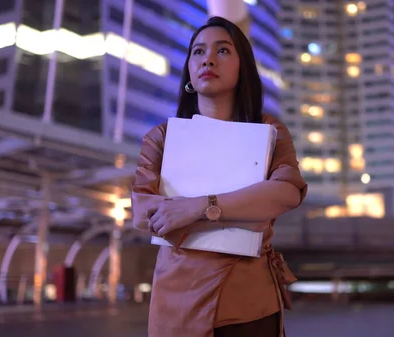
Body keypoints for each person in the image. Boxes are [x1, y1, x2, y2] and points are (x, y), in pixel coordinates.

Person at [131, 16, 308, 337]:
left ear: (243, 67)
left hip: (250, 300)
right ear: (188, 69)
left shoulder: (269, 132)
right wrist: (246, 206)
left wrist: (200, 207)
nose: (208, 59)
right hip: (178, 302)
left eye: (223, 50)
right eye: (198, 52)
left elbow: (286, 193)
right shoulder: (162, 137)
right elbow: (146, 214)